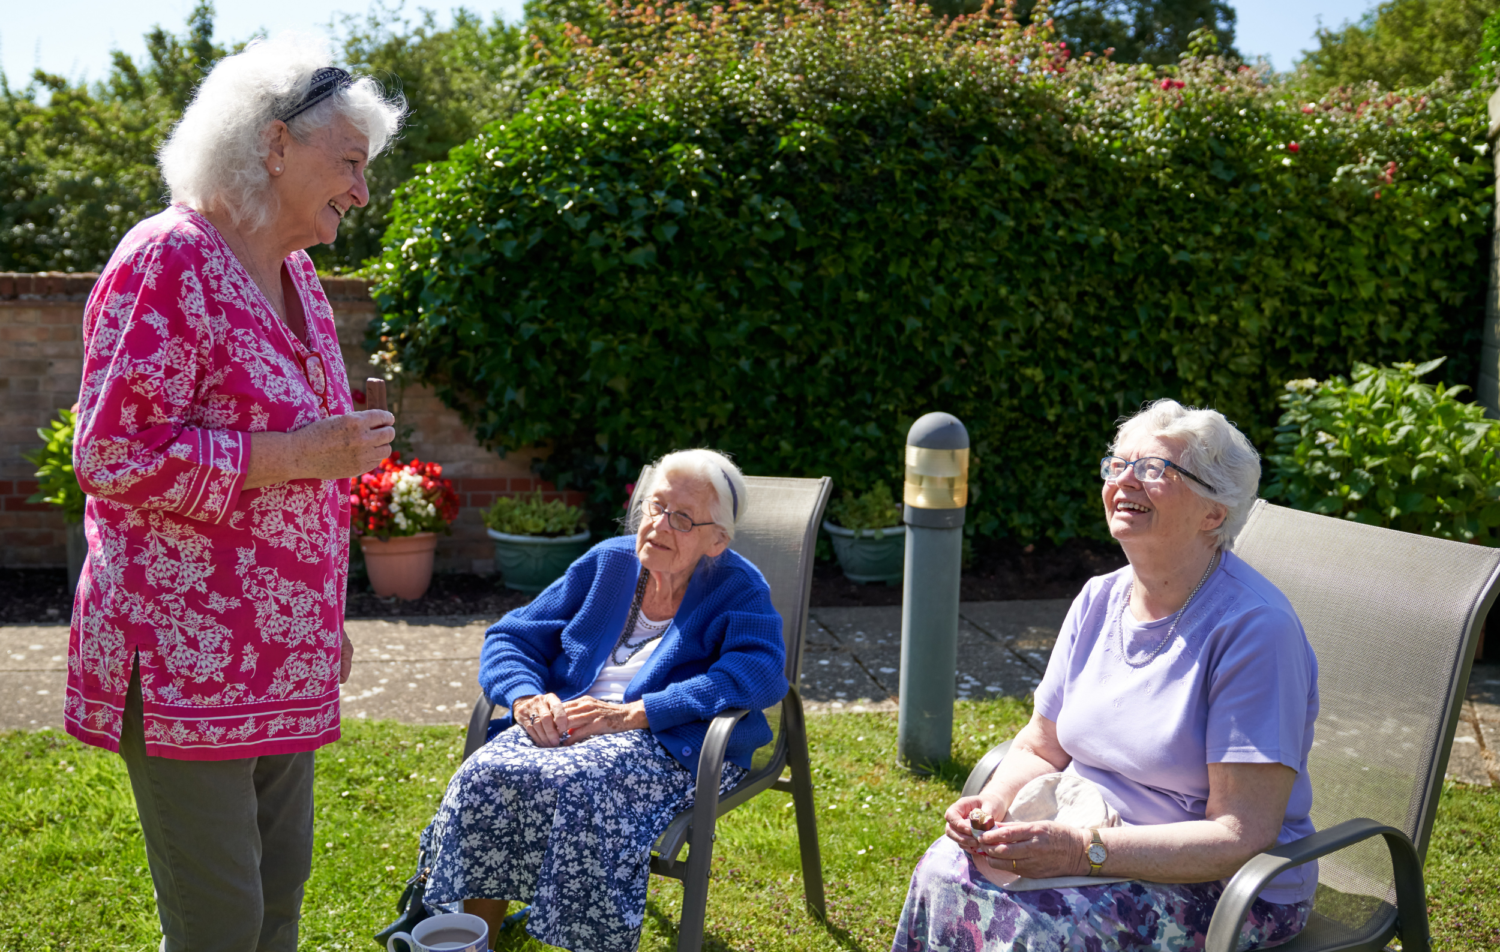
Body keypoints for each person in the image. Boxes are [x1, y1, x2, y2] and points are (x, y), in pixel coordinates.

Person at [65, 34, 404, 952]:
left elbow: (314, 481)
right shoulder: (168, 260)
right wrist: (297, 453)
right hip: (183, 653)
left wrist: (319, 612)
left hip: (280, 647)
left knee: (280, 901)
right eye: (350, 163)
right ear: (274, 143)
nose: (361, 192)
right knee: (221, 922)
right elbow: (110, 453)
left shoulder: (300, 279)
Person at [894, 399, 1320, 952]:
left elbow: (1240, 834)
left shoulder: (1255, 631)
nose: (1125, 482)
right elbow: (1041, 747)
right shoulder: (1099, 598)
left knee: (1042, 926)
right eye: (1117, 466)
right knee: (944, 870)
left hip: (1222, 886)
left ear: (1214, 512)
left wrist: (1080, 851)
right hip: (1087, 826)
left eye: (1153, 470)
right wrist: (991, 806)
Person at [421, 449, 787, 952]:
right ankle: (473, 938)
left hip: (672, 741)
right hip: (571, 720)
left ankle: (588, 940)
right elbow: (511, 636)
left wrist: (638, 713)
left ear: (716, 539)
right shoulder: (608, 563)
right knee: (487, 772)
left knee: (580, 787)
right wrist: (527, 698)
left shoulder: (739, 588)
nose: (659, 524)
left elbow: (762, 672)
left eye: (681, 518)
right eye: (654, 507)